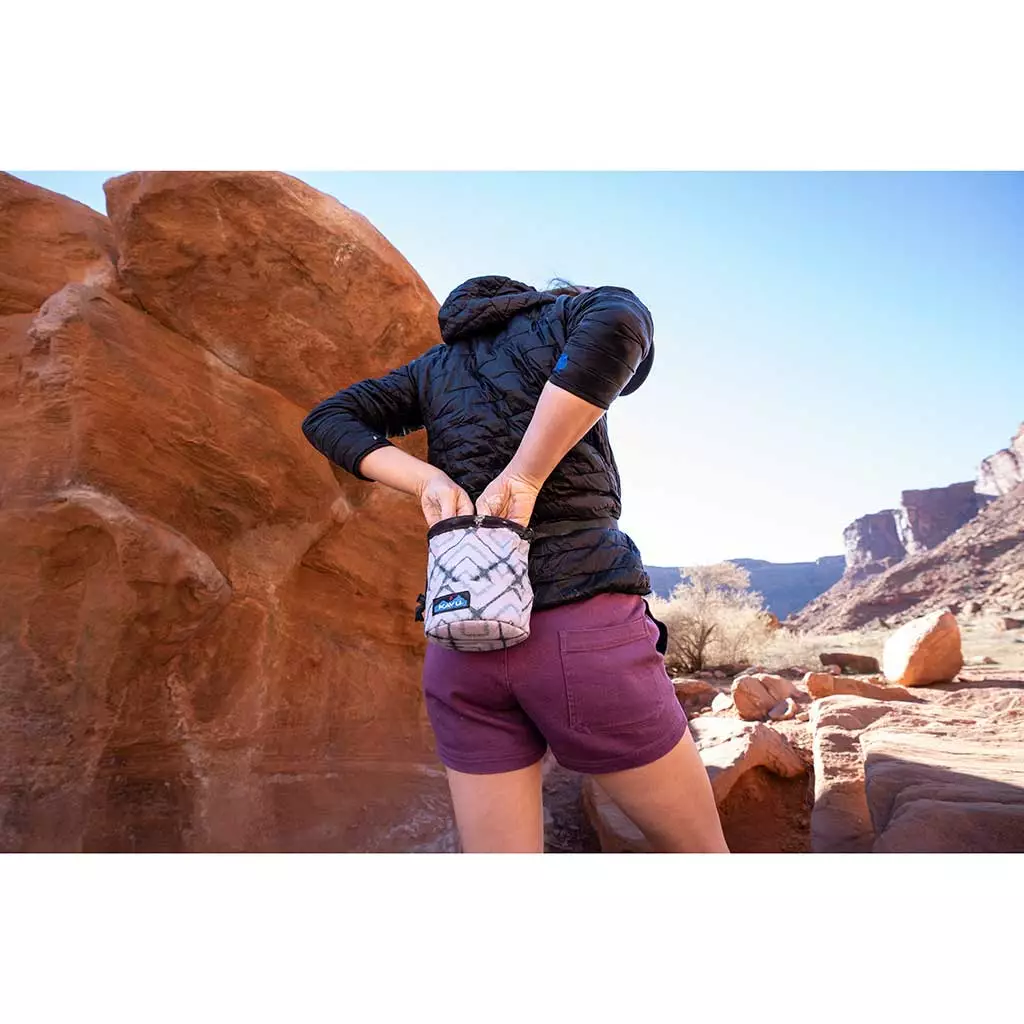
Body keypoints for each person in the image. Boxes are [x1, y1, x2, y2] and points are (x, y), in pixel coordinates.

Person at [301, 275, 729, 854]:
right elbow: (621, 317)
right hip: (581, 631)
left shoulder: (432, 369)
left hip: (461, 642)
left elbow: (329, 416)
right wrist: (525, 474)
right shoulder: (564, 316)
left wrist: (427, 480)